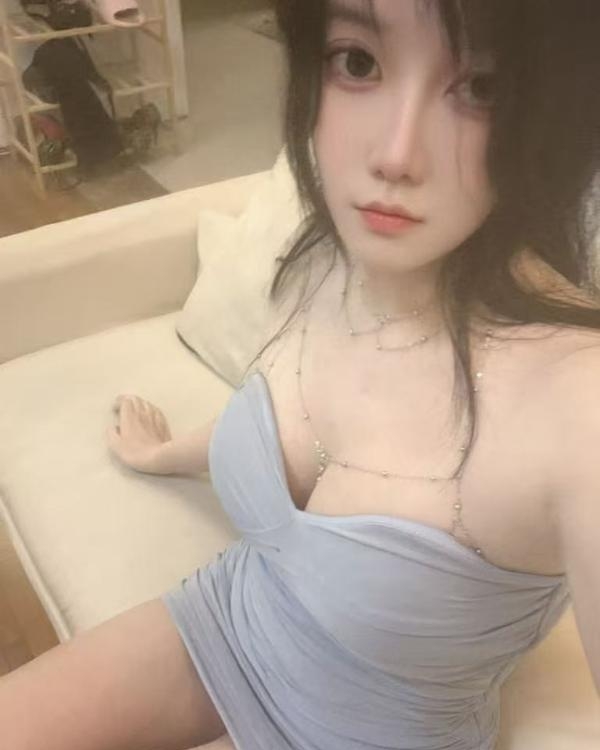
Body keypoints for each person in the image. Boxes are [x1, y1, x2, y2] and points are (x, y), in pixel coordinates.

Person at [2, 0, 600, 748]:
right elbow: (286, 417)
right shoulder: (329, 254)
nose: (395, 154)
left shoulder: (578, 400)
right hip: (225, 621)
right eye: (358, 62)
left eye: (483, 88)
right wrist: (168, 453)